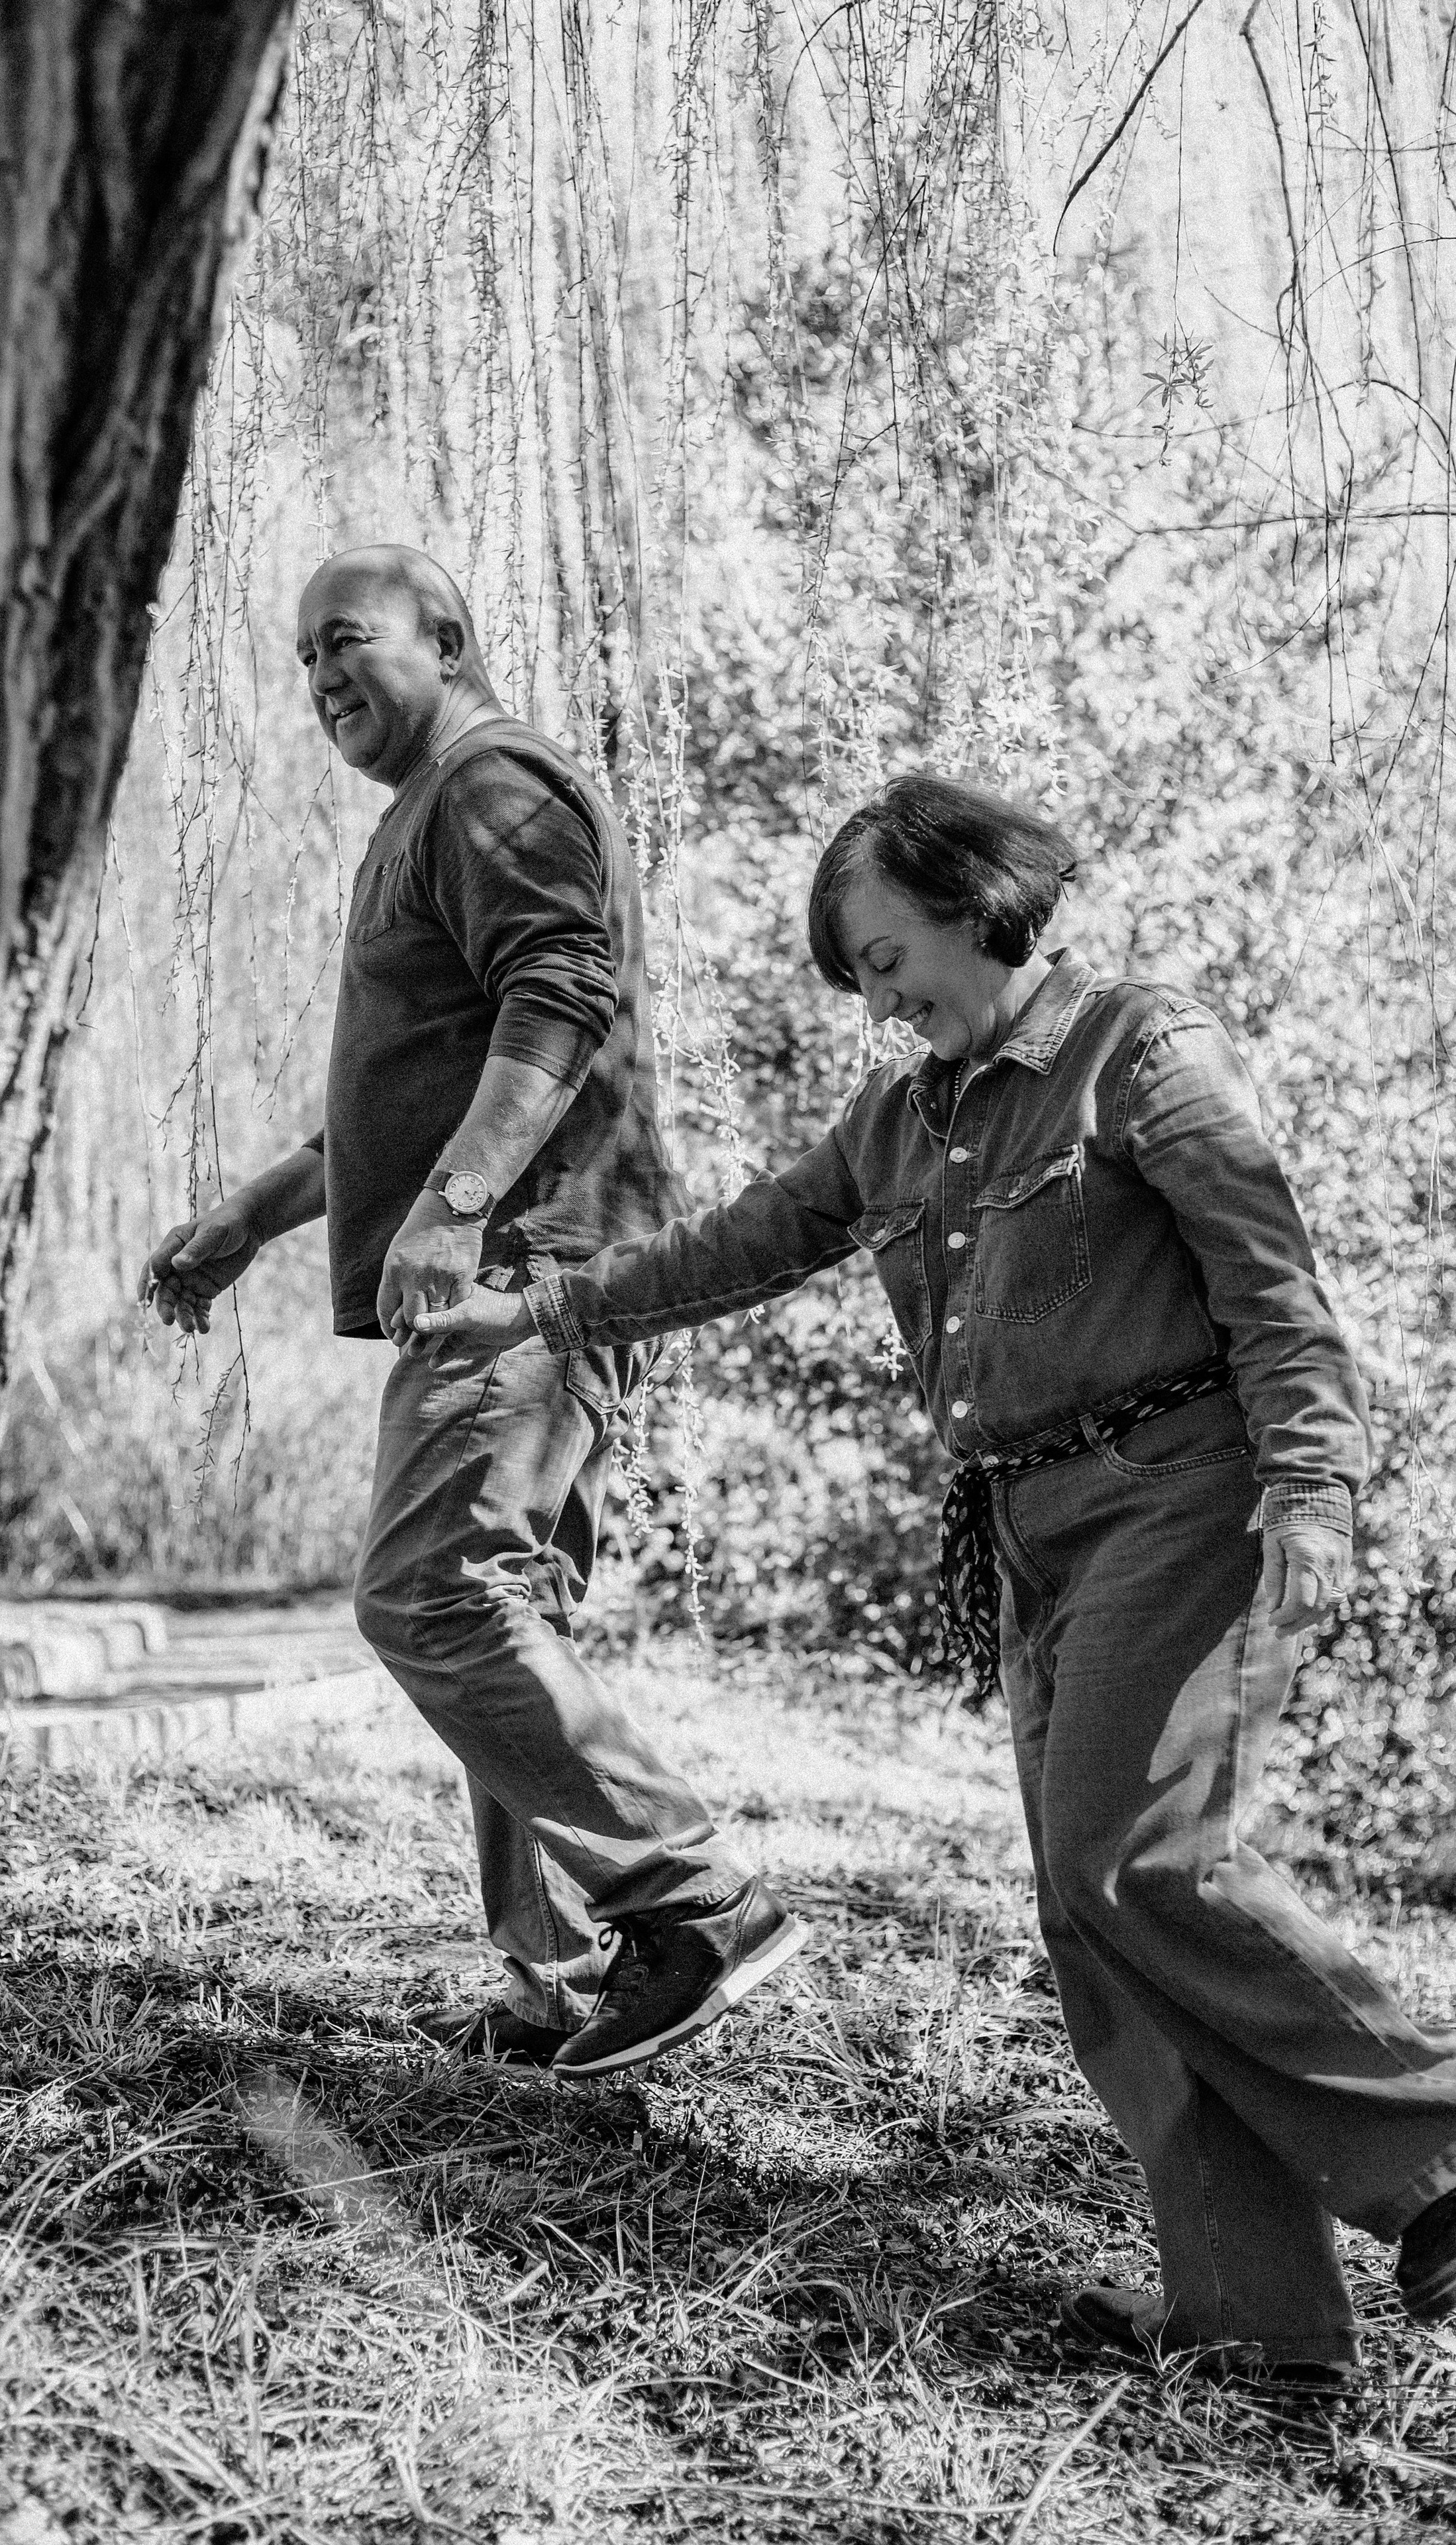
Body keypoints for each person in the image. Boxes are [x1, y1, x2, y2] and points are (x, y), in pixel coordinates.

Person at [415, 770, 1456, 2383]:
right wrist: (543, 1315)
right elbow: (740, 1243)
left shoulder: (1138, 1049)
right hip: (1028, 1525)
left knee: (1141, 1862)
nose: (878, 998)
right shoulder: (902, 1120)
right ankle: (1250, 2312)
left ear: (979, 903)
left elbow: (1273, 1284)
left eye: (887, 957)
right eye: (858, 976)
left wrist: (1313, 1491)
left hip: (1184, 1499)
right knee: (1087, 1910)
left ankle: (1437, 2150)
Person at [137, 544, 804, 2078]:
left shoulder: (493, 785)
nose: (318, 682)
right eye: (302, 659)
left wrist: (452, 1212)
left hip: (519, 1281)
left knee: (429, 1596)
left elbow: (559, 996)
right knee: (503, 1612)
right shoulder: (428, 816)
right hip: (501, 1268)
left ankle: (690, 1899)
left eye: (345, 643)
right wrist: (249, 1218)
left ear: (445, 638)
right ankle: (551, 1975)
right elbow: (398, 1096)